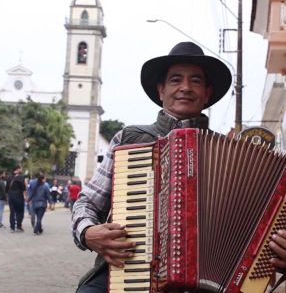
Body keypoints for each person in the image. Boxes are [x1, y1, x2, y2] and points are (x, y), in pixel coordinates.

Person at [71, 42, 286, 292]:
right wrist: (87, 232)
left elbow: (267, 229)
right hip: (129, 269)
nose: (185, 87)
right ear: (161, 90)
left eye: (195, 80)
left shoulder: (241, 159)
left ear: (207, 93)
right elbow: (87, 202)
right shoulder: (129, 139)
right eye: (175, 80)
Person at [5, 165, 26, 233]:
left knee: (12, 212)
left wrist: (7, 197)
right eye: (21, 169)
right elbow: (23, 188)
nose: (21, 170)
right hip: (18, 197)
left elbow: (6, 188)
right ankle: (19, 226)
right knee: (20, 212)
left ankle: (12, 227)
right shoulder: (21, 177)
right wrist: (25, 196)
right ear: (18, 169)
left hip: (11, 197)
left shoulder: (8, 177)